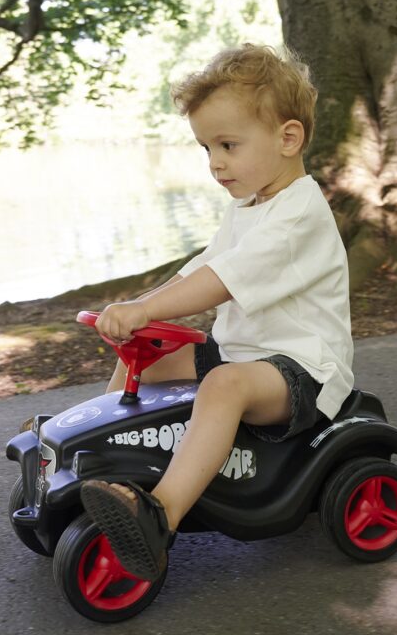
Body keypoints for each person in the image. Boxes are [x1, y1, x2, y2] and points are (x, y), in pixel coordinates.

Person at [80, 43, 354, 580]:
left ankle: (161, 517)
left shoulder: (298, 213)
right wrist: (141, 310)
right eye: (207, 148)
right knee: (152, 355)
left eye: (228, 144)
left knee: (224, 385)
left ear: (288, 138)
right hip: (242, 354)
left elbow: (219, 282)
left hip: (302, 372)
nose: (215, 163)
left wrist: (144, 306)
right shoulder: (247, 206)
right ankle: (96, 442)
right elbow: (199, 266)